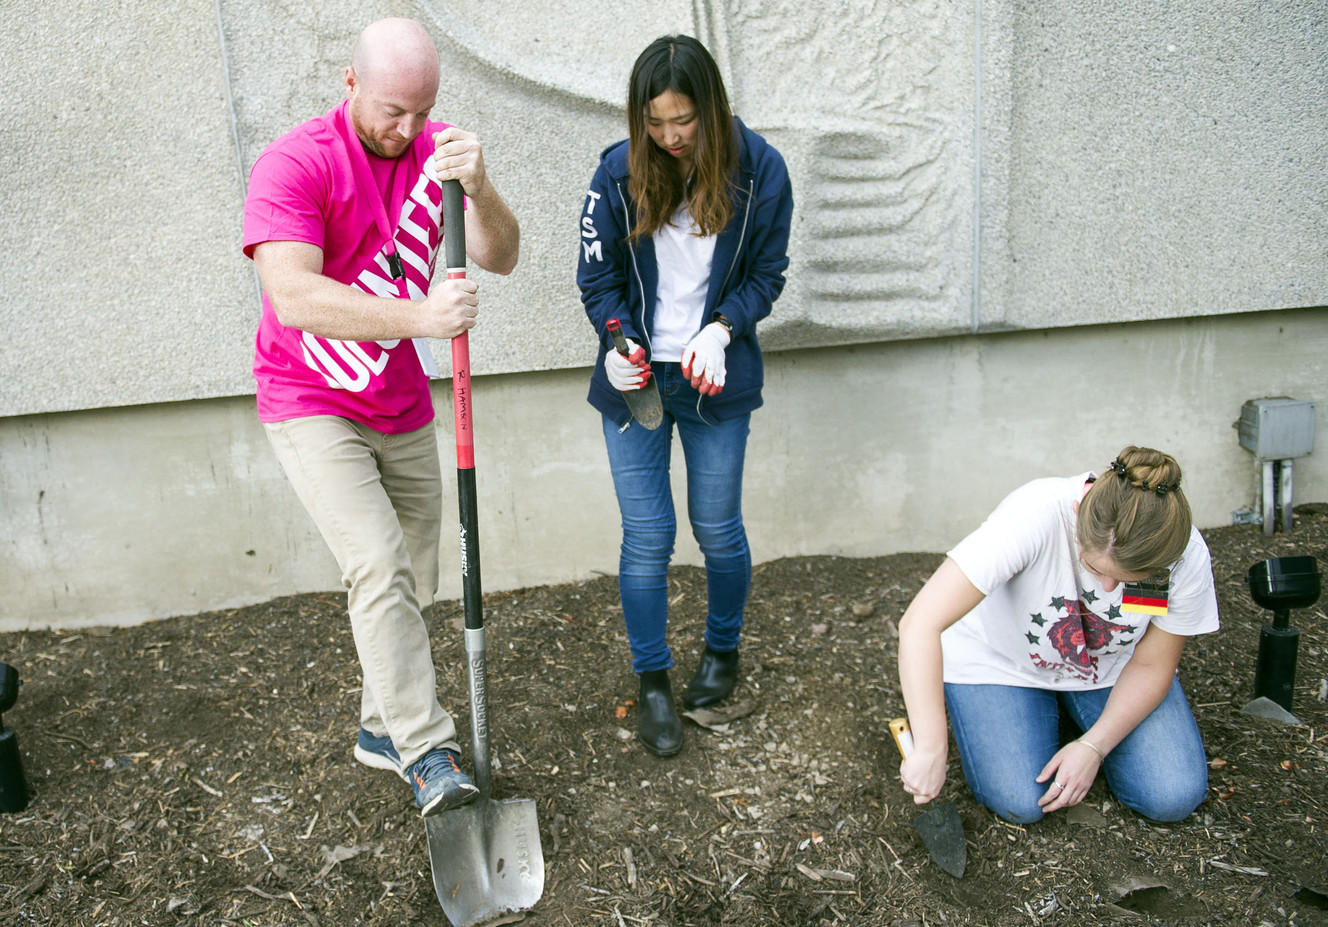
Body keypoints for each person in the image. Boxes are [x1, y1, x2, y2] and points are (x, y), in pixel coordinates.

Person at [241, 18, 519, 815]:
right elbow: (294, 296)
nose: (408, 129)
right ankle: (428, 751)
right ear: (351, 83)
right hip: (310, 400)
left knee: (414, 574)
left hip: (398, 402)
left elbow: (501, 254)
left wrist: (482, 183)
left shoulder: (438, 154)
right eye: (393, 111)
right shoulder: (296, 164)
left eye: (422, 112)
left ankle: (379, 724)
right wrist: (425, 320)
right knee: (378, 564)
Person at [577, 35, 793, 755]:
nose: (669, 137)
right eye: (656, 122)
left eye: (684, 121)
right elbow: (598, 280)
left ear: (711, 107)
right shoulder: (616, 172)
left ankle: (722, 653)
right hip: (638, 380)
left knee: (717, 526)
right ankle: (654, 684)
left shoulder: (761, 169)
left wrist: (724, 328)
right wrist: (616, 341)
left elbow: (768, 272)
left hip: (712, 374)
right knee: (647, 538)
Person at [897, 446, 1219, 824]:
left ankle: (1075, 720)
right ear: (1079, 514)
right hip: (1002, 661)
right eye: (1095, 569)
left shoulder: (1180, 554)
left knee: (1172, 795)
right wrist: (931, 748)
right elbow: (919, 623)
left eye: (1130, 580)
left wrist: (1093, 747)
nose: (1110, 586)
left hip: (1112, 667)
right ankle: (1041, 710)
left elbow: (1151, 664)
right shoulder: (1034, 513)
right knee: (1020, 799)